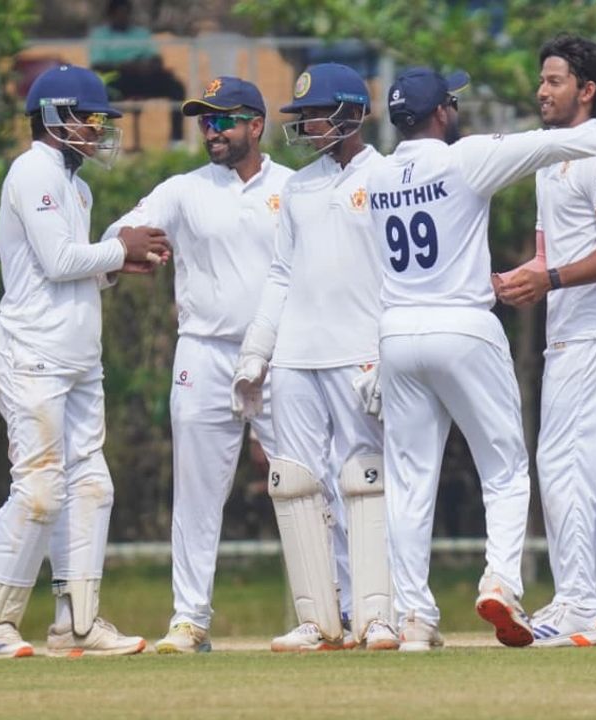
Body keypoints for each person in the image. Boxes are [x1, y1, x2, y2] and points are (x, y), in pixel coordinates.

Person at [366, 65, 596, 651]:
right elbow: (555, 142)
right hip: (463, 326)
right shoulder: (465, 158)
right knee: (505, 471)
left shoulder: (376, 176)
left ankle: (413, 619)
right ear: (441, 114)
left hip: (397, 334)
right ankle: (502, 579)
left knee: (407, 483)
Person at [0, 64, 169, 658]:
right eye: (90, 118)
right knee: (39, 490)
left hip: (78, 359)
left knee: (92, 487)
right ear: (55, 117)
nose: (99, 128)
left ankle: (76, 625)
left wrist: (113, 266)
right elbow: (57, 260)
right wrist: (118, 246)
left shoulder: (75, 185)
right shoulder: (32, 169)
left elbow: (67, 275)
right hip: (30, 354)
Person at [100, 76, 294, 653]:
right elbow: (121, 231)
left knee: (310, 482)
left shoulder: (293, 187)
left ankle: (334, 607)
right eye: (204, 121)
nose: (211, 131)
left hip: (282, 353)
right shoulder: (183, 190)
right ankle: (189, 620)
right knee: (196, 493)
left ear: (255, 126)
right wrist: (126, 248)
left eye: (223, 120)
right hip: (203, 353)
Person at [234, 63, 397, 652]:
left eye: (315, 114)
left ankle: (375, 615)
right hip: (297, 355)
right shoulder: (298, 186)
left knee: (364, 478)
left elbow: (396, 276)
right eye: (300, 116)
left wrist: (387, 351)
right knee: (297, 482)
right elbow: (281, 275)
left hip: (357, 351)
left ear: (352, 114)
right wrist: (257, 351)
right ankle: (318, 619)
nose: (304, 125)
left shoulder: (386, 176)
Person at [491, 35, 596, 648]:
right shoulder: (553, 160)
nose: (541, 91)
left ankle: (577, 605)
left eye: (553, 81)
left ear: (587, 91)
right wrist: (523, 276)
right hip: (573, 327)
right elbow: (554, 248)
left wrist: (547, 278)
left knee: (562, 460)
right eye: (541, 80)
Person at [88, 0, 186, 146]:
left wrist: (146, 67)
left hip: (143, 79)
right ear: (110, 15)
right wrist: (125, 66)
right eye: (119, 14)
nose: (123, 17)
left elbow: (155, 59)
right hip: (117, 80)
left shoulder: (140, 33)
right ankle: (105, 140)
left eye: (126, 13)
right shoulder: (100, 35)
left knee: (177, 88)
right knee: (99, 93)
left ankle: (177, 141)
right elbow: (98, 64)